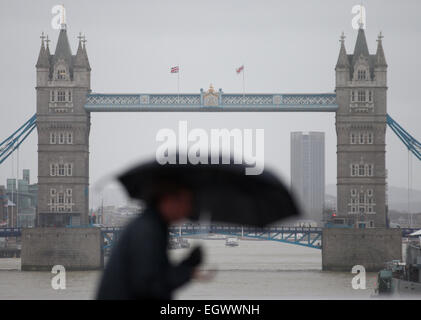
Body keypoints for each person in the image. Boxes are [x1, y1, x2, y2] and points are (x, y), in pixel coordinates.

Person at [96, 181, 202, 300]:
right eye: (185, 202)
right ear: (167, 200)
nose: (188, 208)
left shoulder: (152, 226)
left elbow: (154, 274)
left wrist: (188, 265)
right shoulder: (147, 231)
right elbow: (149, 286)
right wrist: (186, 271)